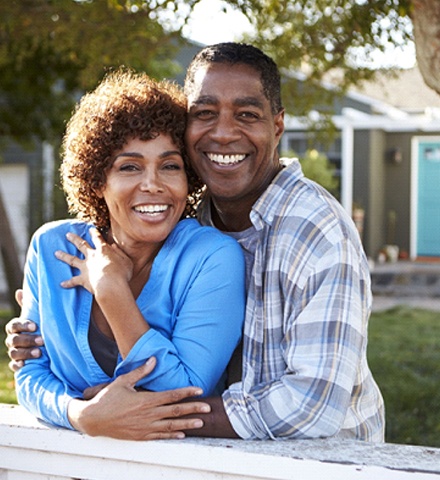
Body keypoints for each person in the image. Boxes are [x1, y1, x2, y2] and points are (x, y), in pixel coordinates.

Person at [6, 42, 385, 441]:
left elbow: (314, 406)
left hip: (328, 461)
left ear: (277, 126)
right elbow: (32, 370)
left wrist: (135, 413)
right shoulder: (196, 214)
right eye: (204, 114)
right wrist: (81, 413)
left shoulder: (317, 233)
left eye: (246, 114)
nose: (222, 133)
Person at [11, 69, 246, 432]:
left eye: (170, 166)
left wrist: (110, 289)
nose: (152, 185)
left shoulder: (211, 258)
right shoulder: (51, 248)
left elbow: (184, 393)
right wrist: (81, 414)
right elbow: (29, 376)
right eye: (130, 167)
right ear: (97, 180)